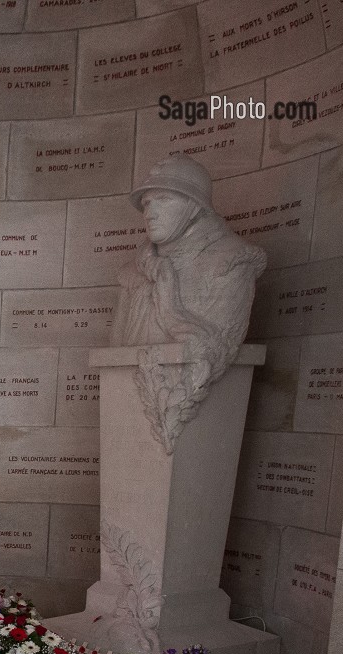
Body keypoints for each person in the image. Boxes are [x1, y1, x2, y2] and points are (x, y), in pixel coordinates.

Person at [113, 154, 266, 451]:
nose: (150, 212)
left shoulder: (230, 262)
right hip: (126, 415)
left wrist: (172, 310)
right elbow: (117, 347)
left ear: (195, 207)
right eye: (146, 203)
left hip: (194, 430)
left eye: (164, 200)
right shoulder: (135, 273)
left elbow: (210, 356)